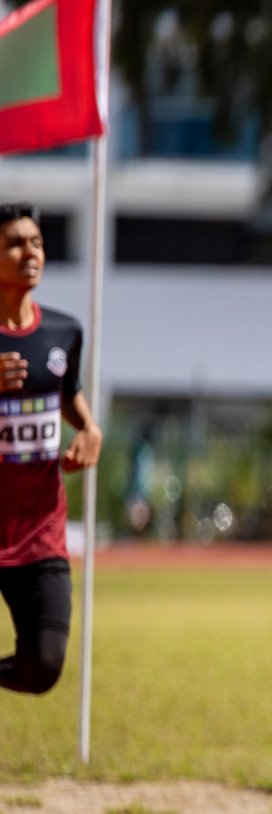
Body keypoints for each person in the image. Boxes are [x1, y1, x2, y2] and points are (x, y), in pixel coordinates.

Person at [0, 202, 103, 695]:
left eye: (36, 242)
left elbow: (67, 394)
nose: (30, 252)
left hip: (39, 533)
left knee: (42, 667)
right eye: (15, 243)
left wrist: (90, 430)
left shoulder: (63, 332)